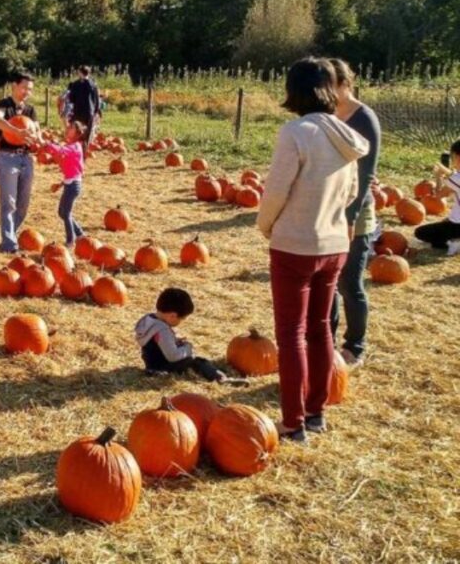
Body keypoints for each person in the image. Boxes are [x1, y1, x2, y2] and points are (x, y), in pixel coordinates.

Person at [257, 57, 369, 443]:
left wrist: (266, 225)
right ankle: (315, 412)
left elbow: (276, 190)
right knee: (321, 329)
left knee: (291, 334)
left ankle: (293, 422)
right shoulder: (346, 136)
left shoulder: (296, 132)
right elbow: (352, 193)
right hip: (335, 243)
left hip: (295, 244)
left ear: (294, 91)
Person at [326, 59, 382, 366]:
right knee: (327, 284)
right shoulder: (326, 114)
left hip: (355, 214)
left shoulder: (364, 118)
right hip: (327, 208)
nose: (327, 92)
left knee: (349, 283)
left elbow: (365, 174)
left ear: (346, 83)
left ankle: (355, 346)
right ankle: (326, 344)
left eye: (332, 85)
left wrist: (349, 218)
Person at [135, 288, 246, 385]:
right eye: (181, 319)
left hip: (151, 363)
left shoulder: (148, 319)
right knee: (197, 361)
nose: (181, 321)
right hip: (163, 366)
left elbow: (155, 342)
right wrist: (187, 348)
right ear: (173, 315)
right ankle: (221, 379)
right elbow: (173, 356)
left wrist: (175, 340)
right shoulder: (162, 330)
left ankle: (216, 371)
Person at [0, 73, 40, 253]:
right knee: (9, 202)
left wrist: (38, 138)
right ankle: (9, 243)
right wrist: (14, 131)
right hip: (7, 158)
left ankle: (11, 232)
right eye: (24, 87)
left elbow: (37, 130)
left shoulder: (30, 110)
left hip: (26, 158)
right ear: (14, 86)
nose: (27, 92)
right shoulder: (4, 105)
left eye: (30, 89)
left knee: (23, 204)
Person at [40, 121, 87, 247]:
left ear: (77, 133)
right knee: (62, 212)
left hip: (73, 186)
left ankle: (70, 241)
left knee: (66, 213)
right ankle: (80, 234)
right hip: (69, 184)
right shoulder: (71, 146)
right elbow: (71, 169)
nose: (68, 128)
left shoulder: (75, 147)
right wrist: (61, 184)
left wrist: (46, 144)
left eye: (71, 127)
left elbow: (60, 150)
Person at [415, 139, 460, 254]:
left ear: (457, 157)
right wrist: (447, 173)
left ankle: (453, 242)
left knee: (421, 232)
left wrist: (439, 176)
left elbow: (439, 196)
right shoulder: (455, 178)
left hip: (458, 226)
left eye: (452, 157)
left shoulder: (455, 179)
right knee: (445, 223)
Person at [67, 65, 101, 155]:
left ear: (80, 72)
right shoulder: (93, 84)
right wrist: (96, 110)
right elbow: (97, 99)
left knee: (77, 130)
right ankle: (84, 150)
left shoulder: (75, 84)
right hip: (89, 111)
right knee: (88, 132)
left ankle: (76, 149)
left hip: (78, 111)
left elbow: (71, 99)